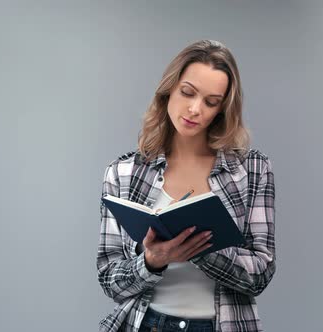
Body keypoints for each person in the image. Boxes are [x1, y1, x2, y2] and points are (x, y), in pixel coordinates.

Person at [96, 39, 276, 332]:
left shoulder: (253, 170)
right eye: (187, 93)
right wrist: (153, 261)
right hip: (147, 325)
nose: (195, 109)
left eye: (211, 102)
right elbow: (110, 280)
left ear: (222, 109)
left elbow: (260, 275)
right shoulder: (122, 172)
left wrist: (200, 250)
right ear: (168, 91)